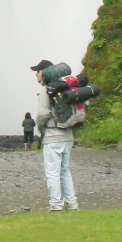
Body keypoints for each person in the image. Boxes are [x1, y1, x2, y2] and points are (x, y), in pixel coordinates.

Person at [32, 61, 80, 210]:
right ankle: (72, 204)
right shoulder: (66, 87)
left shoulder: (46, 89)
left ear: (44, 72)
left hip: (52, 136)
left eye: (38, 71)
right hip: (68, 135)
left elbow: (42, 114)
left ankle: (56, 205)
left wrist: (40, 128)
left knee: (52, 172)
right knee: (65, 171)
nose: (36, 74)